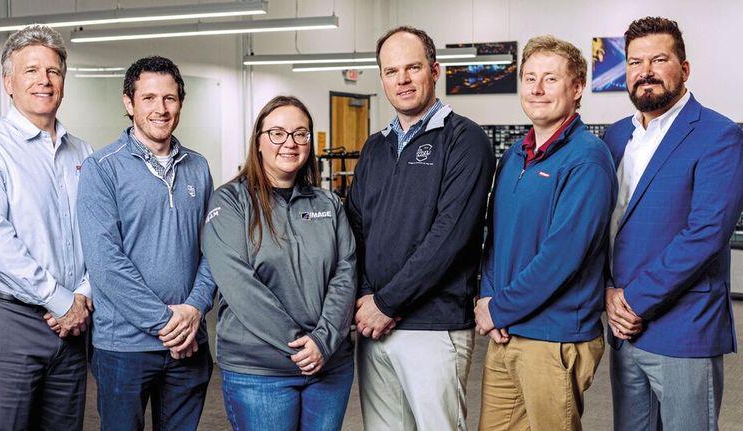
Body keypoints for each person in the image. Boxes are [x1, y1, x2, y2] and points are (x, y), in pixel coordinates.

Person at [346, 26, 495, 430]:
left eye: (413, 67)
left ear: (435, 70)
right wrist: (364, 297)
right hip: (374, 327)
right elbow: (355, 229)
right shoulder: (375, 148)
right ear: (382, 79)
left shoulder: (466, 141)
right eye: (392, 71)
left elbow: (450, 237)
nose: (403, 79)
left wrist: (386, 304)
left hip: (434, 326)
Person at [604, 16, 743, 431]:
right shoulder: (613, 137)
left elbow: (704, 235)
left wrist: (633, 302)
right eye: (633, 62)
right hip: (623, 328)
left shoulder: (719, 135)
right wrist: (608, 293)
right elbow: (602, 227)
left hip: (684, 328)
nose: (644, 71)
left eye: (658, 59)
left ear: (684, 69)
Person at [0, 24, 92, 430]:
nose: (44, 81)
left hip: (72, 328)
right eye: (31, 71)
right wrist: (61, 300)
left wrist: (81, 296)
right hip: (10, 324)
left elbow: (99, 232)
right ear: (8, 82)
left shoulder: (83, 152)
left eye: (53, 71)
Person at [475, 35, 616, 430]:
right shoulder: (514, 155)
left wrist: (498, 309)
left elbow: (561, 258)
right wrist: (488, 297)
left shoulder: (587, 158)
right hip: (506, 332)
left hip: (554, 338)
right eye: (530, 77)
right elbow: (495, 239)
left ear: (576, 88)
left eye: (550, 79)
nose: (537, 89)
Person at [76, 56, 215, 431]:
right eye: (149, 98)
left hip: (190, 343)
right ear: (129, 103)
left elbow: (213, 251)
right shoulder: (102, 168)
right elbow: (105, 264)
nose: (161, 108)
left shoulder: (198, 167)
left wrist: (195, 309)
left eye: (170, 98)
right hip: (125, 348)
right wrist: (168, 322)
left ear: (180, 103)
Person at [202, 95, 357, 431]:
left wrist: (323, 342)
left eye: (300, 134)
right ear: (258, 141)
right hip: (260, 372)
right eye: (277, 133)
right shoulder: (230, 203)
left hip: (329, 366)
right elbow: (240, 286)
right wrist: (300, 345)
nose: (290, 143)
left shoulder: (328, 203)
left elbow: (345, 273)